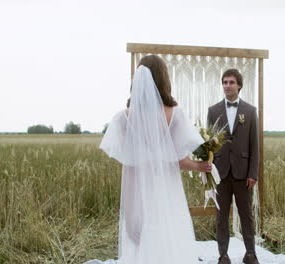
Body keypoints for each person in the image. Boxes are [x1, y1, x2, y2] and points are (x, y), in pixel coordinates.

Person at [84, 55, 211, 264]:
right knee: (168, 236)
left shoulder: (121, 118)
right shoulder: (175, 114)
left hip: (137, 192)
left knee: (138, 237)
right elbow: (180, 161)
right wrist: (200, 166)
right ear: (163, 78)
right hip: (167, 191)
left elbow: (128, 163)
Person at [207, 69, 260, 264]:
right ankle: (223, 255)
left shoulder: (250, 111)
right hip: (220, 173)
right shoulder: (213, 111)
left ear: (239, 85)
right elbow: (209, 145)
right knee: (221, 217)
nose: (227, 85)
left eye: (231, 82)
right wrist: (209, 172)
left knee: (246, 215)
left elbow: (254, 145)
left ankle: (251, 254)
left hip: (243, 173)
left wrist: (253, 173)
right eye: (224, 82)